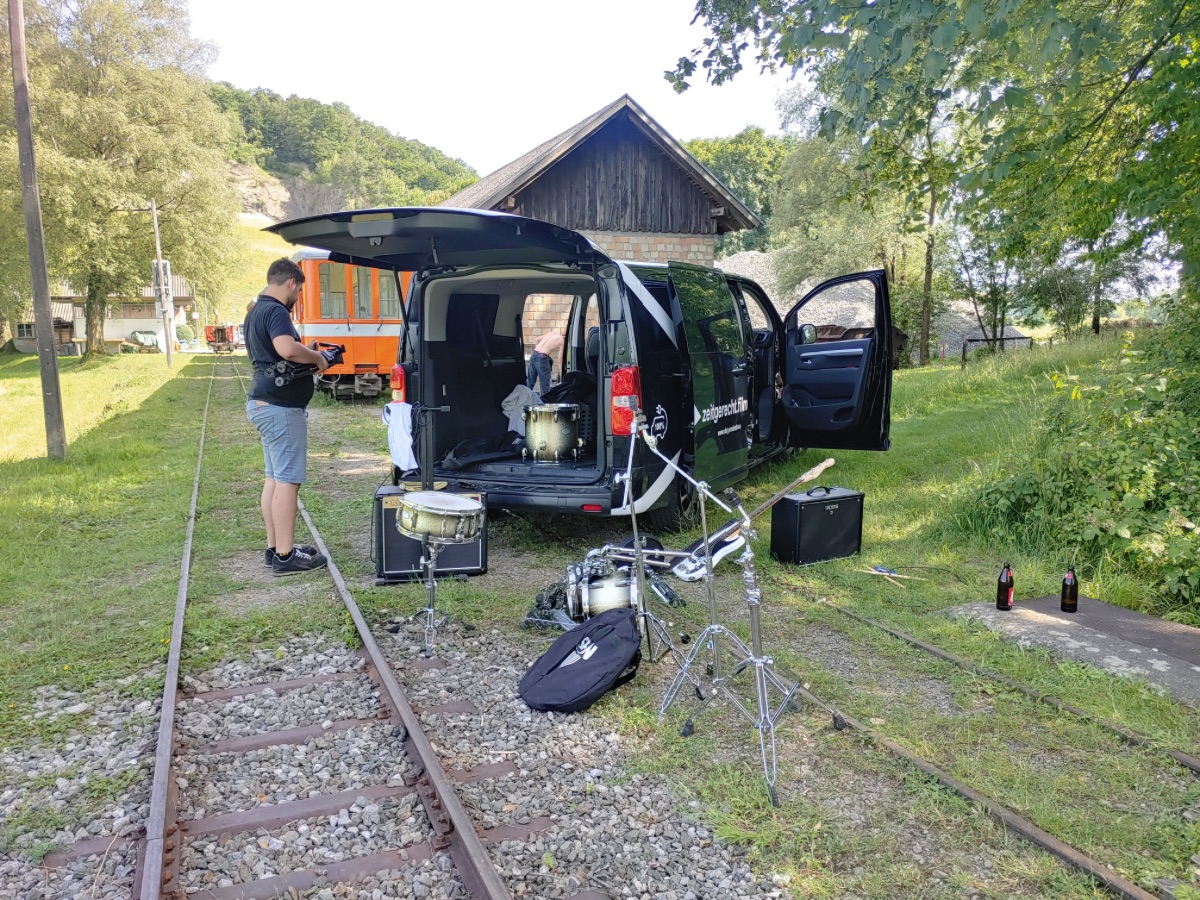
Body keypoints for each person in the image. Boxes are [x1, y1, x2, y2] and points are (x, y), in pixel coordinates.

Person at [244, 258, 330, 576]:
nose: (297, 297)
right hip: (280, 408)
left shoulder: (254, 311)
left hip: (262, 402)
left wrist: (303, 352)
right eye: (299, 290)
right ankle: (285, 555)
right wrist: (317, 357)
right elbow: (285, 349)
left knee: (274, 478)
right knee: (288, 482)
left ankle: (274, 547)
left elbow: (275, 354)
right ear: (291, 283)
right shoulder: (277, 310)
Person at [526, 331, 563, 396]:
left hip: (534, 354)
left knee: (530, 382)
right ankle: (544, 402)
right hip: (543, 357)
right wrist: (562, 373)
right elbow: (560, 360)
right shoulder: (561, 341)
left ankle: (524, 400)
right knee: (545, 384)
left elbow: (537, 340)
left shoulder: (551, 333)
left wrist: (538, 354)